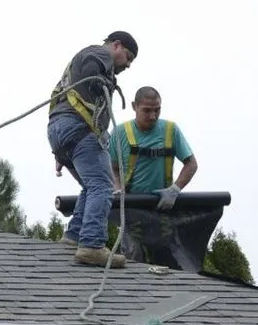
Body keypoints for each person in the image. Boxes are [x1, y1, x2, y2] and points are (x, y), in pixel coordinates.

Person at [47, 31, 138, 268]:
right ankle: (92, 244)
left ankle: (74, 236)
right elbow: (90, 70)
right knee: (103, 185)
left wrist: (61, 153)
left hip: (61, 131)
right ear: (116, 45)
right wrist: (103, 82)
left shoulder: (79, 64)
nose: (127, 65)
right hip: (77, 128)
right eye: (127, 57)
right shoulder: (99, 54)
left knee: (91, 184)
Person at [108, 86, 198, 209]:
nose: (153, 116)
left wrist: (174, 190)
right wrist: (117, 189)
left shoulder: (170, 130)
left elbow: (191, 164)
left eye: (157, 110)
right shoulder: (119, 133)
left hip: (163, 205)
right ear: (134, 106)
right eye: (147, 110)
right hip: (131, 206)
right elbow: (112, 168)